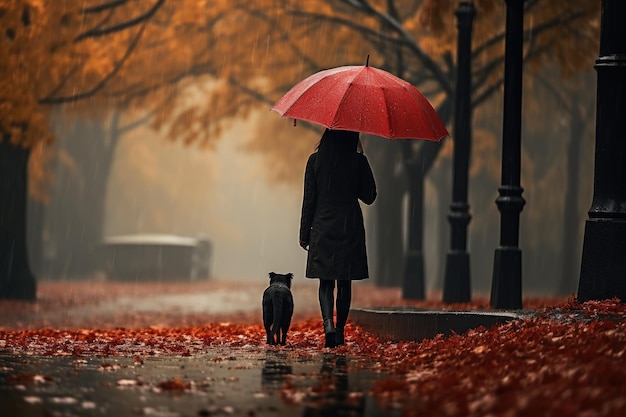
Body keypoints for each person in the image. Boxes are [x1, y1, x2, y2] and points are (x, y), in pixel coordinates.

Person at [299, 129, 377, 348]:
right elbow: (370, 196)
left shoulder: (315, 161)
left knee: (326, 281)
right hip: (349, 226)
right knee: (345, 282)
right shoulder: (358, 161)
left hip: (323, 225)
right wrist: (360, 168)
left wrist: (304, 233)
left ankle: (328, 326)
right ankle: (341, 330)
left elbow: (309, 200)